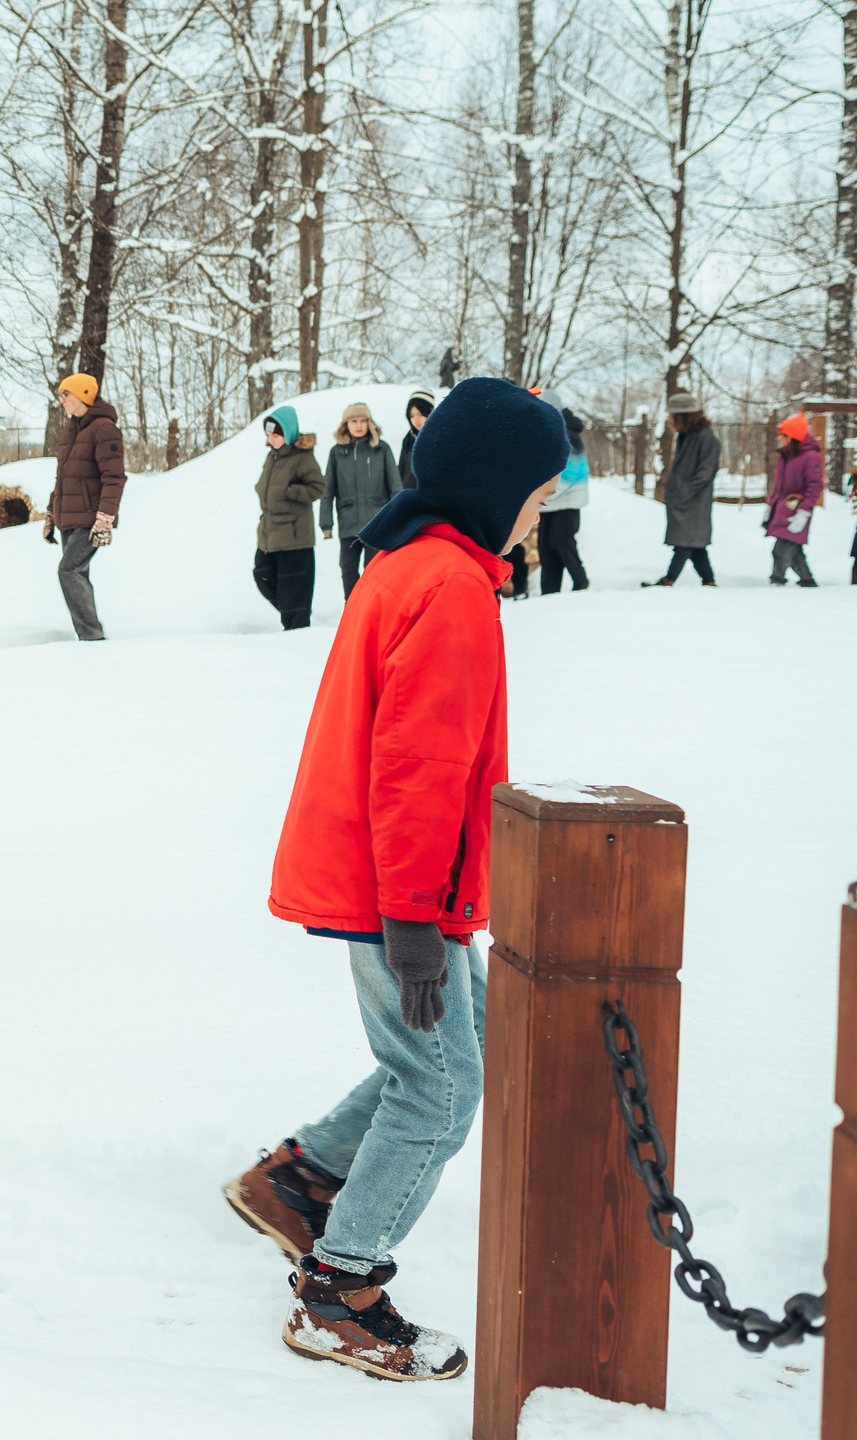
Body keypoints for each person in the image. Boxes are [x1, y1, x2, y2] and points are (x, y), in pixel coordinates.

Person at [229, 376, 565, 1383]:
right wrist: (417, 919)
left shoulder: (414, 564)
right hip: (399, 886)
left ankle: (301, 1181)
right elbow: (415, 772)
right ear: (493, 484)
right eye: (537, 493)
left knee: (448, 1051)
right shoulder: (451, 591)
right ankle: (341, 1292)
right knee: (443, 1082)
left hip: (395, 878)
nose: (541, 511)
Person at [44, 374, 125, 641]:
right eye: (61, 395)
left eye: (66, 394)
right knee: (77, 572)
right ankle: (89, 635)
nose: (62, 400)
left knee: (68, 570)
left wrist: (105, 518)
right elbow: (63, 477)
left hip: (90, 519)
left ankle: (92, 636)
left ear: (84, 395)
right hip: (69, 518)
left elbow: (114, 478)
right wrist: (51, 513)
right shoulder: (72, 429)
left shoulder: (104, 429)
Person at [253, 406, 327, 630]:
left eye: (276, 434)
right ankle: (293, 614)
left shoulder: (302, 458)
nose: (271, 439)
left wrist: (292, 492)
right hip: (269, 533)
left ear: (288, 432)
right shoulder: (273, 456)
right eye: (269, 434)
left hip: (295, 537)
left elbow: (318, 488)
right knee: (262, 574)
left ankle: (296, 630)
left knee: (294, 592)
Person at [317, 402, 400, 598]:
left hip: (376, 524)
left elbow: (396, 487)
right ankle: (351, 616)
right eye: (354, 421)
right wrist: (326, 523)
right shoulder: (337, 452)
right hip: (348, 524)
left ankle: (372, 616)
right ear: (346, 424)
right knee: (348, 573)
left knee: (374, 574)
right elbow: (328, 491)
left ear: (369, 423)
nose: (359, 425)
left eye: (363, 420)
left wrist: (397, 520)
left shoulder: (381, 449)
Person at [648, 391, 719, 587]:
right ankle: (709, 581)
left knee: (685, 543)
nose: (670, 419)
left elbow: (705, 473)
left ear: (685, 417)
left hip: (694, 502)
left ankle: (669, 579)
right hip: (684, 501)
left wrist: (683, 492)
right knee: (695, 545)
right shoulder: (685, 436)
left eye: (673, 415)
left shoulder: (707, 439)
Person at [536, 409, 591, 593]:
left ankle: (580, 580)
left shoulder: (568, 434)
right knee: (545, 545)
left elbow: (570, 471)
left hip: (568, 500)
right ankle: (549, 590)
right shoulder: (549, 433)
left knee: (561, 540)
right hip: (550, 503)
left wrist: (544, 495)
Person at [768, 413, 824, 587]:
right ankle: (807, 580)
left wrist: (804, 512)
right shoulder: (785, 456)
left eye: (783, 435)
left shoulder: (810, 457)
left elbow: (815, 486)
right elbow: (779, 485)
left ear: (792, 437)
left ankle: (777, 580)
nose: (779, 438)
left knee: (781, 549)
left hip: (797, 512)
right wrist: (771, 505)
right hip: (783, 510)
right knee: (794, 548)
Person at [397, 389, 435, 491]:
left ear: (429, 411)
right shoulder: (408, 439)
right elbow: (401, 472)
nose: (416, 420)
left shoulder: (438, 437)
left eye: (419, 414)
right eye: (412, 415)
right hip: (410, 497)